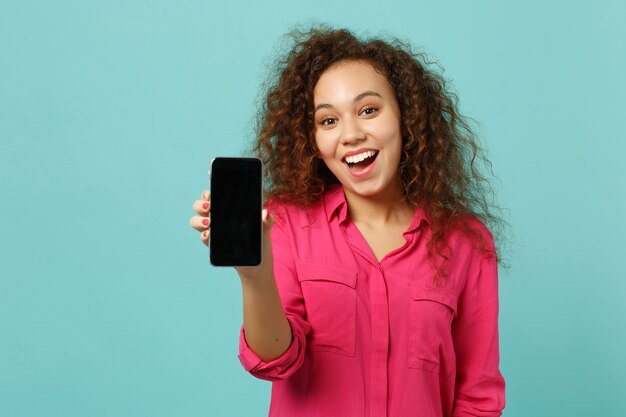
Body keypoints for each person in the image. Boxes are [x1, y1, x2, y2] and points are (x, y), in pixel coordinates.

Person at [190, 26, 507, 417]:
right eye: (328, 121)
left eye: (368, 110)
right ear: (313, 141)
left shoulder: (466, 243)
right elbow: (275, 360)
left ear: (406, 118)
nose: (351, 134)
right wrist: (254, 273)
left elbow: (476, 397)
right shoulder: (285, 223)